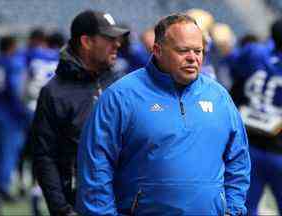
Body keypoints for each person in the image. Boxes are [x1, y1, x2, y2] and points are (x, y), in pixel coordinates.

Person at [76, 12, 251, 215]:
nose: (193, 58)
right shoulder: (120, 97)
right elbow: (96, 167)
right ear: (157, 50)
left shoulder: (219, 97)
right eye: (183, 50)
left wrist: (232, 209)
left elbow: (238, 159)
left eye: (198, 51)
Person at [30, 9, 129, 216]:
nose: (117, 44)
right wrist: (61, 210)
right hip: (79, 205)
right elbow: (44, 157)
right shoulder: (54, 93)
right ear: (86, 41)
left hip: (124, 202)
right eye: (109, 38)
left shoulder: (121, 84)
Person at [229, 17, 282, 215]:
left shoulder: (253, 52)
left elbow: (234, 69)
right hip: (278, 149)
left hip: (247, 143)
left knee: (244, 206)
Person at [0, 35, 29, 201]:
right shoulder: (13, 63)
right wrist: (21, 112)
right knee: (8, 151)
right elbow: (15, 90)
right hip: (9, 115)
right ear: (11, 47)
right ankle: (3, 189)